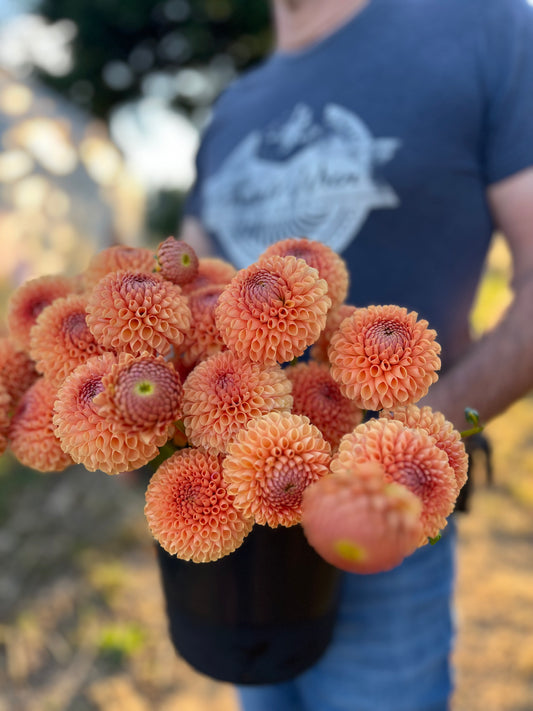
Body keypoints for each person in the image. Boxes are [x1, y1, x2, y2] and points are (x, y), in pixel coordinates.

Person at [177, 0, 533, 708]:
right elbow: (190, 297)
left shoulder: (490, 31)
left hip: (391, 519)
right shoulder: (230, 111)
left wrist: (398, 449)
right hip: (240, 522)